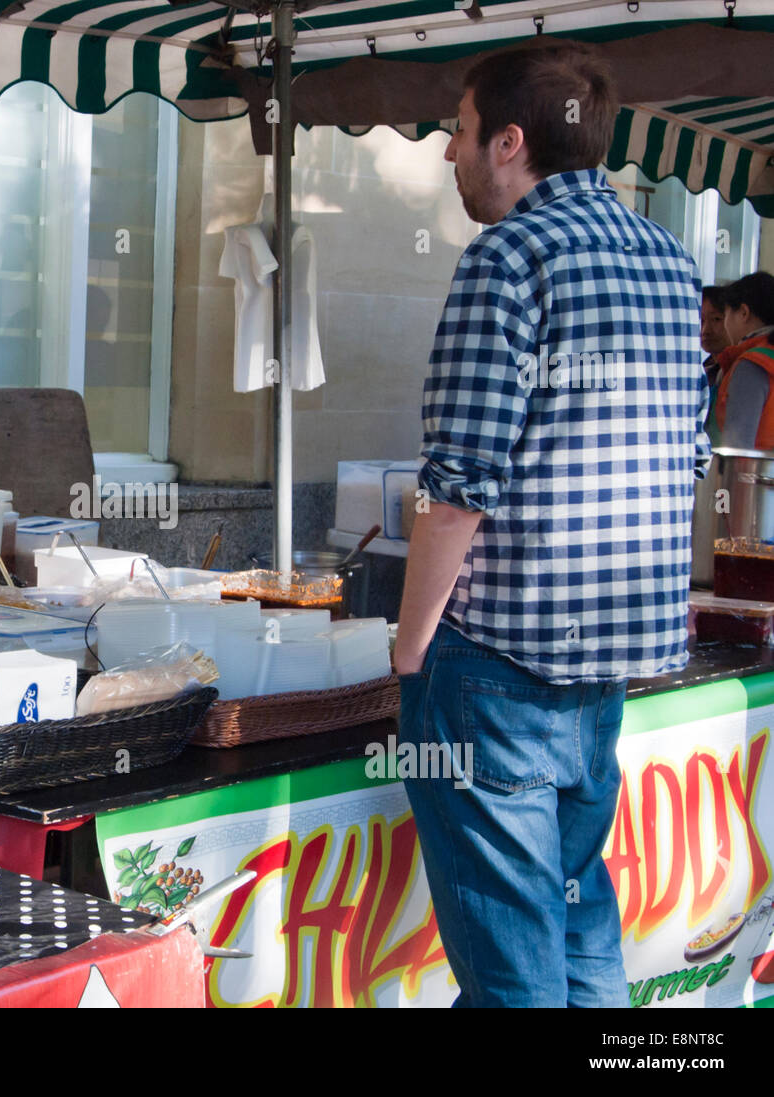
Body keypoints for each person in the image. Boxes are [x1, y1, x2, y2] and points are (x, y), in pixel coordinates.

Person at [392, 43, 708, 1007]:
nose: (449, 150)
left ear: (510, 142)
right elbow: (689, 456)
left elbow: (459, 489)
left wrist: (409, 649)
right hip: (605, 670)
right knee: (574, 933)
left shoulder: (507, 257)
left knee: (512, 966)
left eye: (460, 127)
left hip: (495, 673)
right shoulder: (668, 255)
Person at [713, 271, 774, 449]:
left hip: (758, 475)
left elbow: (738, 447)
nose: (725, 325)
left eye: (724, 316)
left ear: (743, 313)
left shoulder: (753, 365)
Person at [700, 284, 732, 446]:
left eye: (716, 319)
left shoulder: (736, 369)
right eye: (701, 320)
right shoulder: (703, 370)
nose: (706, 330)